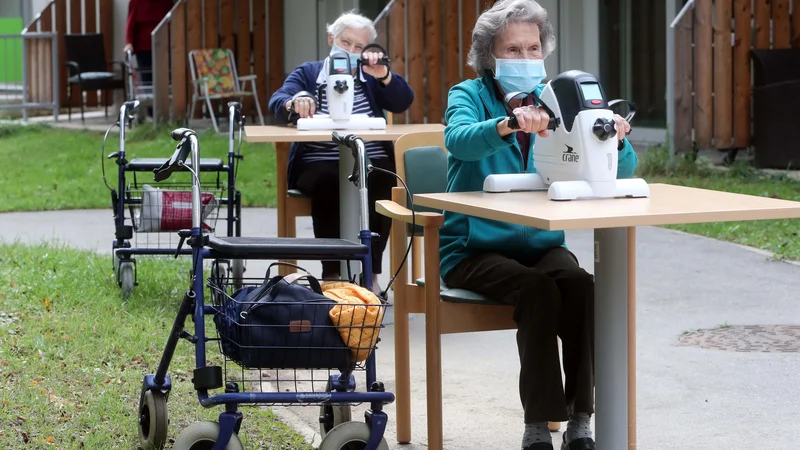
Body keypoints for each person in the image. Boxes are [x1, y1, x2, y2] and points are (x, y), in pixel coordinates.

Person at [440, 1, 637, 449]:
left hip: (542, 241)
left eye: (533, 48)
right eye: (513, 49)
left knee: (582, 287)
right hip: (473, 247)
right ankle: (538, 425)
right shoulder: (468, 94)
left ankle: (581, 419)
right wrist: (509, 124)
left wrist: (616, 139)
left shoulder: (560, 96)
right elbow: (459, 141)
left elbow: (621, 172)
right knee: (538, 291)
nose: (526, 58)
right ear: (490, 56)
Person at [268, 11, 414, 294]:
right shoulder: (310, 73)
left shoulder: (369, 77)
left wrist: (384, 75)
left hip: (368, 158)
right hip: (317, 161)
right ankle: (333, 272)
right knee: (329, 180)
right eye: (345, 42)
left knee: (384, 180)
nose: (350, 50)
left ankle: (370, 272)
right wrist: (295, 101)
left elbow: (402, 101)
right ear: (331, 39)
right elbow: (279, 100)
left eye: (358, 47)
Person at [124, 0, 172, 114]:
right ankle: (150, 110)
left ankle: (162, 108)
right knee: (146, 78)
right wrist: (129, 42)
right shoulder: (136, 2)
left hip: (163, 45)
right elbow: (131, 23)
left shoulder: (165, 2)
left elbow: (171, 21)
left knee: (162, 76)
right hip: (143, 46)